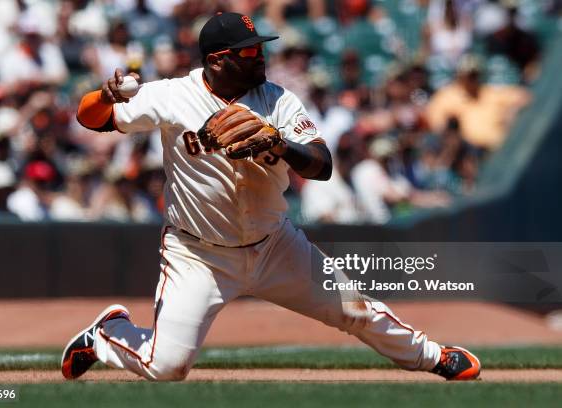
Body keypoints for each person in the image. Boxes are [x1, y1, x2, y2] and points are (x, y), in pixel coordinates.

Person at [62, 12, 480, 382]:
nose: (259, 57)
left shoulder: (277, 100)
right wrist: (104, 96)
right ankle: (108, 333)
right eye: (247, 53)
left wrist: (282, 146)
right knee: (166, 366)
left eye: (258, 48)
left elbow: (323, 163)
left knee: (355, 308)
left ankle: (434, 358)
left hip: (274, 244)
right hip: (198, 255)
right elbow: (90, 119)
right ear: (216, 60)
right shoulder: (172, 95)